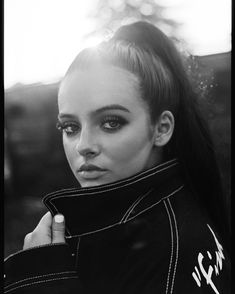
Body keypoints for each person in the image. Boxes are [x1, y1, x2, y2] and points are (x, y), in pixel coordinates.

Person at [4, 21, 230, 293]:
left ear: (162, 128)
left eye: (111, 122)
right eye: (70, 127)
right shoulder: (180, 203)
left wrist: (45, 280)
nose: (83, 146)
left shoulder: (166, 250)